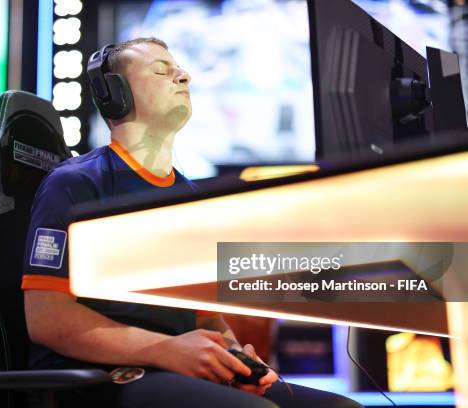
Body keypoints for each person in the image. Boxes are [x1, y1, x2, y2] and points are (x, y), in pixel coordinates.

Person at [22, 37, 362, 408]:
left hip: (175, 374)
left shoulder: (191, 198)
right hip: (102, 380)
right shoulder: (75, 183)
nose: (184, 77)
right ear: (115, 94)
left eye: (180, 70)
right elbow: (46, 319)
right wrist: (164, 349)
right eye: (161, 71)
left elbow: (205, 319)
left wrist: (235, 361)